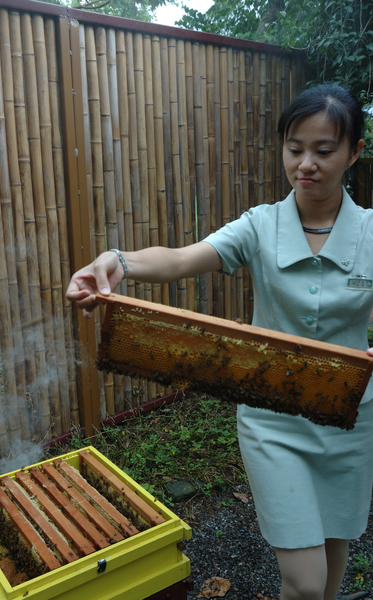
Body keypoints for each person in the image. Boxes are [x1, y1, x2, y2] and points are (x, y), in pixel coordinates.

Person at [66, 84, 373, 600]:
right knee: (305, 582)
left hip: (351, 418)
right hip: (273, 424)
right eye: (294, 148)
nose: (306, 164)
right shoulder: (260, 225)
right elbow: (182, 259)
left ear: (353, 153)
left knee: (335, 544)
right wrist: (117, 261)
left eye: (323, 151)